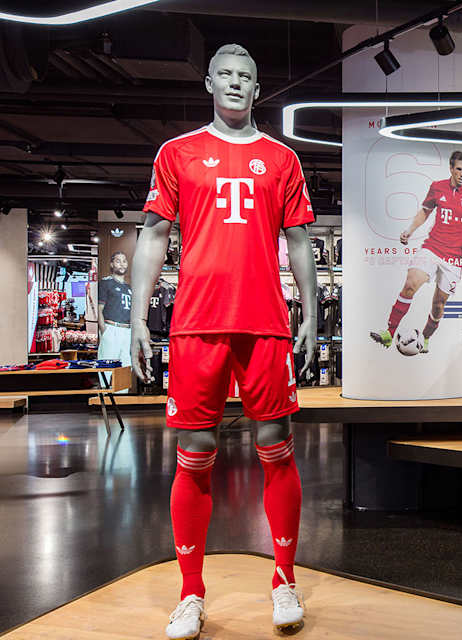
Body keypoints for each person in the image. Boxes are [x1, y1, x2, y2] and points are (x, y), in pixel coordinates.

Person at [130, 44, 316, 639]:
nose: (236, 83)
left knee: (276, 443)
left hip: (264, 321)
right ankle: (190, 592)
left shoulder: (282, 159)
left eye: (247, 77)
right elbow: (154, 235)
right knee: (194, 452)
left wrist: (310, 311)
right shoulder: (177, 153)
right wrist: (138, 316)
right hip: (196, 322)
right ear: (210, 81)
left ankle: (283, 580)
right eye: (227, 74)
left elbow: (300, 243)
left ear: (257, 89)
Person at [369, 150, 462, 355]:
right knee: (410, 283)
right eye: (459, 169)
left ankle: (426, 337)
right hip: (433, 246)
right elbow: (425, 212)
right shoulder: (437, 188)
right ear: (451, 169)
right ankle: (389, 333)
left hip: (454, 256)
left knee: (438, 304)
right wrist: (409, 231)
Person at [97, 251, 132, 383]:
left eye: (124, 261)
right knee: (107, 366)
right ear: (112, 264)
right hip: (112, 328)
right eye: (118, 261)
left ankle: (121, 401)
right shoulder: (106, 283)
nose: (122, 264)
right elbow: (99, 310)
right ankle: (105, 399)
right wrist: (104, 331)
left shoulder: (128, 287)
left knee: (126, 367)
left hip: (127, 330)